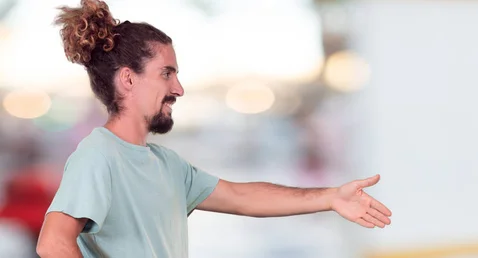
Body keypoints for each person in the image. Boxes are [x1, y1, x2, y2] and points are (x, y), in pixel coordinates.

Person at [36, 1, 392, 257]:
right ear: (128, 79)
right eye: (167, 73)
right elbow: (53, 244)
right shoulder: (98, 155)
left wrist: (329, 197)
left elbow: (241, 196)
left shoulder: (166, 164)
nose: (178, 88)